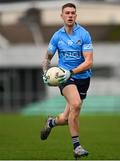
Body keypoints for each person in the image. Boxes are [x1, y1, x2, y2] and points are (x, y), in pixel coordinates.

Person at [40, 2, 93, 159]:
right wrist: (45, 71)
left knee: (67, 117)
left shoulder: (84, 34)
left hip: (82, 78)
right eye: (67, 13)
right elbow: (47, 58)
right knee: (75, 104)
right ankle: (77, 147)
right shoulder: (57, 36)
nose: (70, 15)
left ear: (75, 16)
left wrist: (72, 72)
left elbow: (89, 61)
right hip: (64, 78)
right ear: (62, 16)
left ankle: (51, 122)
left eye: (72, 13)